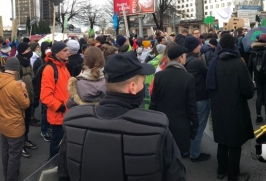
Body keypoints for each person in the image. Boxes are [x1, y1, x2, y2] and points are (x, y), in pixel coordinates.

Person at [58, 52, 186, 180]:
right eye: (142, 83)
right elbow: (176, 176)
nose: (144, 87)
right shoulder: (157, 127)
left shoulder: (73, 121)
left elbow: (63, 174)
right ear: (133, 87)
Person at [207, 34, 254, 181]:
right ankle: (233, 175)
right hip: (235, 109)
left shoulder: (214, 63)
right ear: (234, 45)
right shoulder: (239, 63)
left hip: (218, 109)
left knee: (222, 141)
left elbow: (209, 87)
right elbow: (248, 91)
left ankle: (221, 170)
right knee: (235, 143)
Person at [151, 45, 198, 160]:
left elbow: (154, 102)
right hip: (181, 125)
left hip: (162, 123)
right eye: (184, 56)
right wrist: (195, 125)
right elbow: (191, 105)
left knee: (165, 155)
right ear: (180, 58)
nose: (185, 58)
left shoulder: (159, 76)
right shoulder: (188, 77)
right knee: (179, 157)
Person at [0, 57, 30, 181]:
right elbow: (25, 104)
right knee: (14, 154)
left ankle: (6, 174)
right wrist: (23, 88)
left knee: (5, 151)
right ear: (16, 69)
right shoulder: (15, 85)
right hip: (15, 125)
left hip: (2, 122)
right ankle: (11, 177)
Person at [40, 41, 72, 159]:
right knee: (56, 145)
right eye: (65, 51)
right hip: (58, 114)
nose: (68, 53)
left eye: (68, 50)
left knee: (63, 145)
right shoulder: (50, 69)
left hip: (66, 113)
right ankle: (52, 168)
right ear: (57, 54)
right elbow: (45, 96)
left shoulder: (63, 67)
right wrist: (60, 107)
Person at [183, 37, 212, 162]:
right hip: (200, 98)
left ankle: (188, 150)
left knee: (191, 126)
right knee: (198, 127)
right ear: (194, 47)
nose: (200, 46)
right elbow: (209, 75)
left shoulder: (185, 60)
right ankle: (195, 154)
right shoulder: (197, 62)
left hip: (189, 98)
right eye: (198, 45)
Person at [14, 42, 38, 157]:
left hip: (30, 94)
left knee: (27, 121)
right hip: (22, 98)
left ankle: (26, 139)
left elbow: (32, 76)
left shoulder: (28, 62)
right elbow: (17, 83)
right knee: (22, 122)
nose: (30, 51)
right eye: (27, 49)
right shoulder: (17, 63)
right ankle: (21, 144)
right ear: (22, 50)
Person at [248, 34, 266, 124]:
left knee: (259, 96)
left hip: (257, 76)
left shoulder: (252, 51)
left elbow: (249, 66)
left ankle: (258, 117)